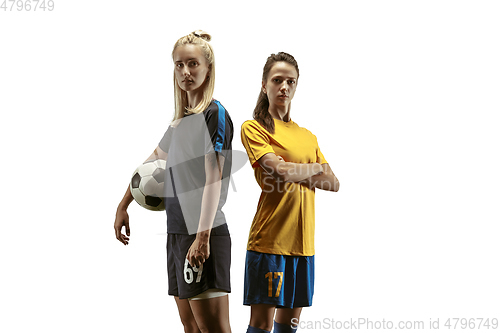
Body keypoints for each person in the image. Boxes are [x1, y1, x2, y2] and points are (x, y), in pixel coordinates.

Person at [114, 30, 233, 333]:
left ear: (208, 68)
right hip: (177, 235)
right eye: (179, 65)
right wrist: (123, 204)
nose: (185, 72)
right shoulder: (180, 121)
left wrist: (203, 237)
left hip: (203, 235)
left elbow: (213, 179)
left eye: (193, 64)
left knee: (214, 329)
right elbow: (152, 161)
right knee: (190, 327)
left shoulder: (214, 114)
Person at [240, 52, 340, 333]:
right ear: (264, 85)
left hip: (303, 243)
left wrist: (298, 169)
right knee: (261, 326)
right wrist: (314, 168)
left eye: (290, 81)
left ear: (296, 86)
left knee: (289, 327)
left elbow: (333, 183)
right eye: (277, 80)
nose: (284, 86)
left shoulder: (307, 135)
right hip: (270, 243)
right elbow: (278, 171)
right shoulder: (254, 128)